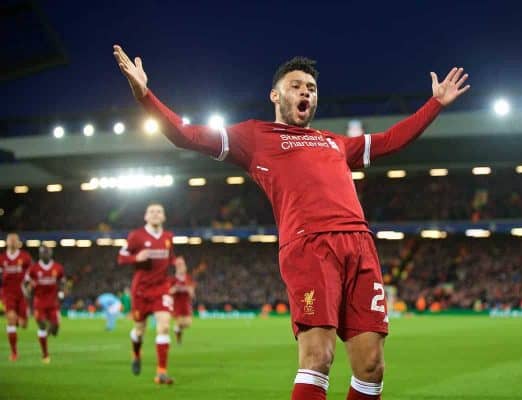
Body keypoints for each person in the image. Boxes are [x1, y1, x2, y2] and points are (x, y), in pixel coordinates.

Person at [113, 44, 469, 399]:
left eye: (311, 89)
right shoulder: (254, 138)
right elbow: (184, 134)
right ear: (275, 94)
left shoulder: (335, 143)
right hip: (310, 247)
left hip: (360, 247)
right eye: (297, 86)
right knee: (318, 358)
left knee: (372, 367)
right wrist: (145, 95)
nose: (306, 93)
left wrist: (434, 104)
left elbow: (392, 140)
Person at [117, 203, 176, 385]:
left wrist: (177, 270)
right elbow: (121, 257)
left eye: (159, 211)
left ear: (164, 217)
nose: (156, 214)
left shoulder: (168, 237)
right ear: (145, 216)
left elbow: (170, 259)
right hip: (141, 291)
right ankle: (136, 354)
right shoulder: (136, 236)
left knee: (164, 326)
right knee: (139, 330)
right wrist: (136, 257)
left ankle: (161, 372)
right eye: (152, 211)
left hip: (161, 289)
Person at [25, 245, 65, 364]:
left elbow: (62, 281)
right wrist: (27, 291)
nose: (45, 254)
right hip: (39, 302)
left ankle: (45, 335)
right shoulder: (34, 268)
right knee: (41, 325)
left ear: (51, 253)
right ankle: (45, 355)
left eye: (47, 252)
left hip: (53, 303)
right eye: (43, 252)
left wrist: (61, 292)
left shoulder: (58, 267)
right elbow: (26, 283)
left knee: (55, 329)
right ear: (40, 254)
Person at [0, 233, 33, 361]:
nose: (13, 242)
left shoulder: (25, 257)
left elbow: (31, 274)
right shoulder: (2, 258)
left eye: (15, 240)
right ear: (7, 242)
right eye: (10, 240)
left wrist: (29, 286)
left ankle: (20, 320)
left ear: (18, 242)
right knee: (11, 319)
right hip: (8, 293)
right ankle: (14, 352)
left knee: (23, 324)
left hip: (22, 294)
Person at [169, 256, 195, 344]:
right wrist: (174, 289)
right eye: (180, 265)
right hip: (176, 305)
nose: (182, 267)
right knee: (180, 322)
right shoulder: (173, 279)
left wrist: (190, 290)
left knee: (187, 324)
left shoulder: (188, 278)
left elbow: (192, 293)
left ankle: (177, 329)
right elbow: (168, 292)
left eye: (183, 265)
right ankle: (178, 339)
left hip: (186, 305)